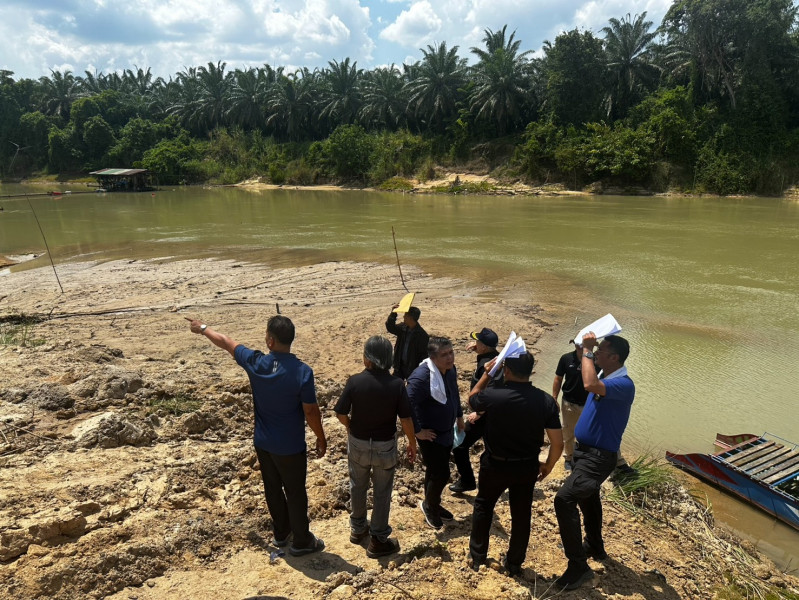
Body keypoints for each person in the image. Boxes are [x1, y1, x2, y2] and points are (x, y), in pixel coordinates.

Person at [187, 315, 327, 557]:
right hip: (291, 446)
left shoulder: (256, 362)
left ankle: (281, 533)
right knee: (295, 492)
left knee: (272, 488)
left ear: (270, 341)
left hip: (263, 442)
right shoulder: (303, 372)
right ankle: (302, 540)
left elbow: (226, 342)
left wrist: (203, 328)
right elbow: (311, 411)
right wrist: (321, 437)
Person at [467, 351, 563, 575]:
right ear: (531, 371)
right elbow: (558, 443)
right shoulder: (546, 401)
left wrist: (488, 374)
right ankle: (514, 563)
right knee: (521, 514)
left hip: (495, 464)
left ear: (506, 370)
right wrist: (548, 465)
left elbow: (472, 399)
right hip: (526, 466)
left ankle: (478, 556)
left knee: (484, 506)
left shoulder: (493, 395)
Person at [554, 332, 635, 590]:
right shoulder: (605, 375)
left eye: (602, 350)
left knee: (564, 499)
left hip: (597, 458)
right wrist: (586, 348)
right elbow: (587, 374)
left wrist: (589, 350)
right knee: (588, 499)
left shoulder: (623, 384)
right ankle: (594, 546)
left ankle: (578, 567)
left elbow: (589, 384)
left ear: (615, 358)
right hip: (585, 453)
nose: (596, 352)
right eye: (596, 350)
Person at [334, 336, 418, 558]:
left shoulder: (354, 382)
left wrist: (350, 426)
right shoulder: (397, 385)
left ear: (367, 359)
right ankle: (378, 540)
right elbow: (406, 419)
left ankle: (358, 529)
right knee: (382, 492)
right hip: (384, 446)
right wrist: (412, 442)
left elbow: (340, 412)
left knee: (357, 486)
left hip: (358, 444)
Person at [407, 336, 464, 530]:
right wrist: (417, 431)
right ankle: (429, 506)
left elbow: (454, 393)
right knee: (441, 472)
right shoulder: (421, 377)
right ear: (432, 357)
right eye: (444, 355)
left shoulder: (450, 370)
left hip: (447, 431)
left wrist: (459, 415)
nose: (450, 358)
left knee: (434, 470)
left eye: (451, 352)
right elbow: (406, 403)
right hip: (430, 434)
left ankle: (433, 502)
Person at [450, 327, 501, 493]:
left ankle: (468, 481)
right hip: (492, 415)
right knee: (492, 449)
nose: (474, 343)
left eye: (478, 341)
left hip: (484, 416)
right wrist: (478, 350)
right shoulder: (496, 358)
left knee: (459, 445)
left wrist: (479, 412)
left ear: (485, 347)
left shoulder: (486, 366)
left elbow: (491, 390)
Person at [552, 342, 589, 471]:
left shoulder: (594, 359)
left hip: (589, 404)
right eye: (577, 342)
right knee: (568, 433)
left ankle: (584, 457)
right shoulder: (566, 358)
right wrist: (554, 398)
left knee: (587, 434)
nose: (579, 345)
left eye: (582, 342)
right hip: (569, 403)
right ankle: (568, 458)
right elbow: (558, 379)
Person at [385, 305, 429, 380]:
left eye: (406, 315)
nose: (404, 317)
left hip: (412, 370)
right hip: (399, 366)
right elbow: (390, 327)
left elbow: (423, 356)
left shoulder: (422, 336)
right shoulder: (403, 328)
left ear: (411, 318)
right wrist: (393, 314)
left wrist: (419, 372)